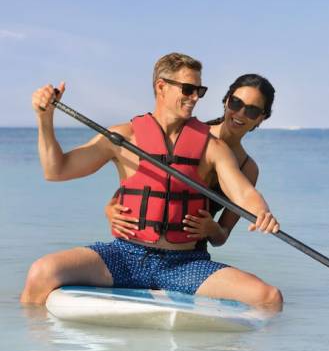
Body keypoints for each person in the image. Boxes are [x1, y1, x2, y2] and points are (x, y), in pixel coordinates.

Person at [21, 53, 283, 313]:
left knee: (269, 297)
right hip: (125, 256)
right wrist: (45, 118)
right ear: (161, 86)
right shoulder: (123, 136)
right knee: (41, 272)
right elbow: (56, 170)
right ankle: (34, 339)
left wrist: (262, 212)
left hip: (185, 264)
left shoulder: (213, 147)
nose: (195, 98)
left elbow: (243, 192)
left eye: (199, 91)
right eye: (188, 89)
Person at [106, 74, 272, 253]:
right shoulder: (187, 134)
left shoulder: (248, 168)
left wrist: (212, 228)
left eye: (252, 110)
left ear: (261, 118)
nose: (240, 113)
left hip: (190, 253)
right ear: (226, 101)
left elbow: (221, 237)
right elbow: (136, 184)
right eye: (236, 103)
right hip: (140, 242)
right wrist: (110, 210)